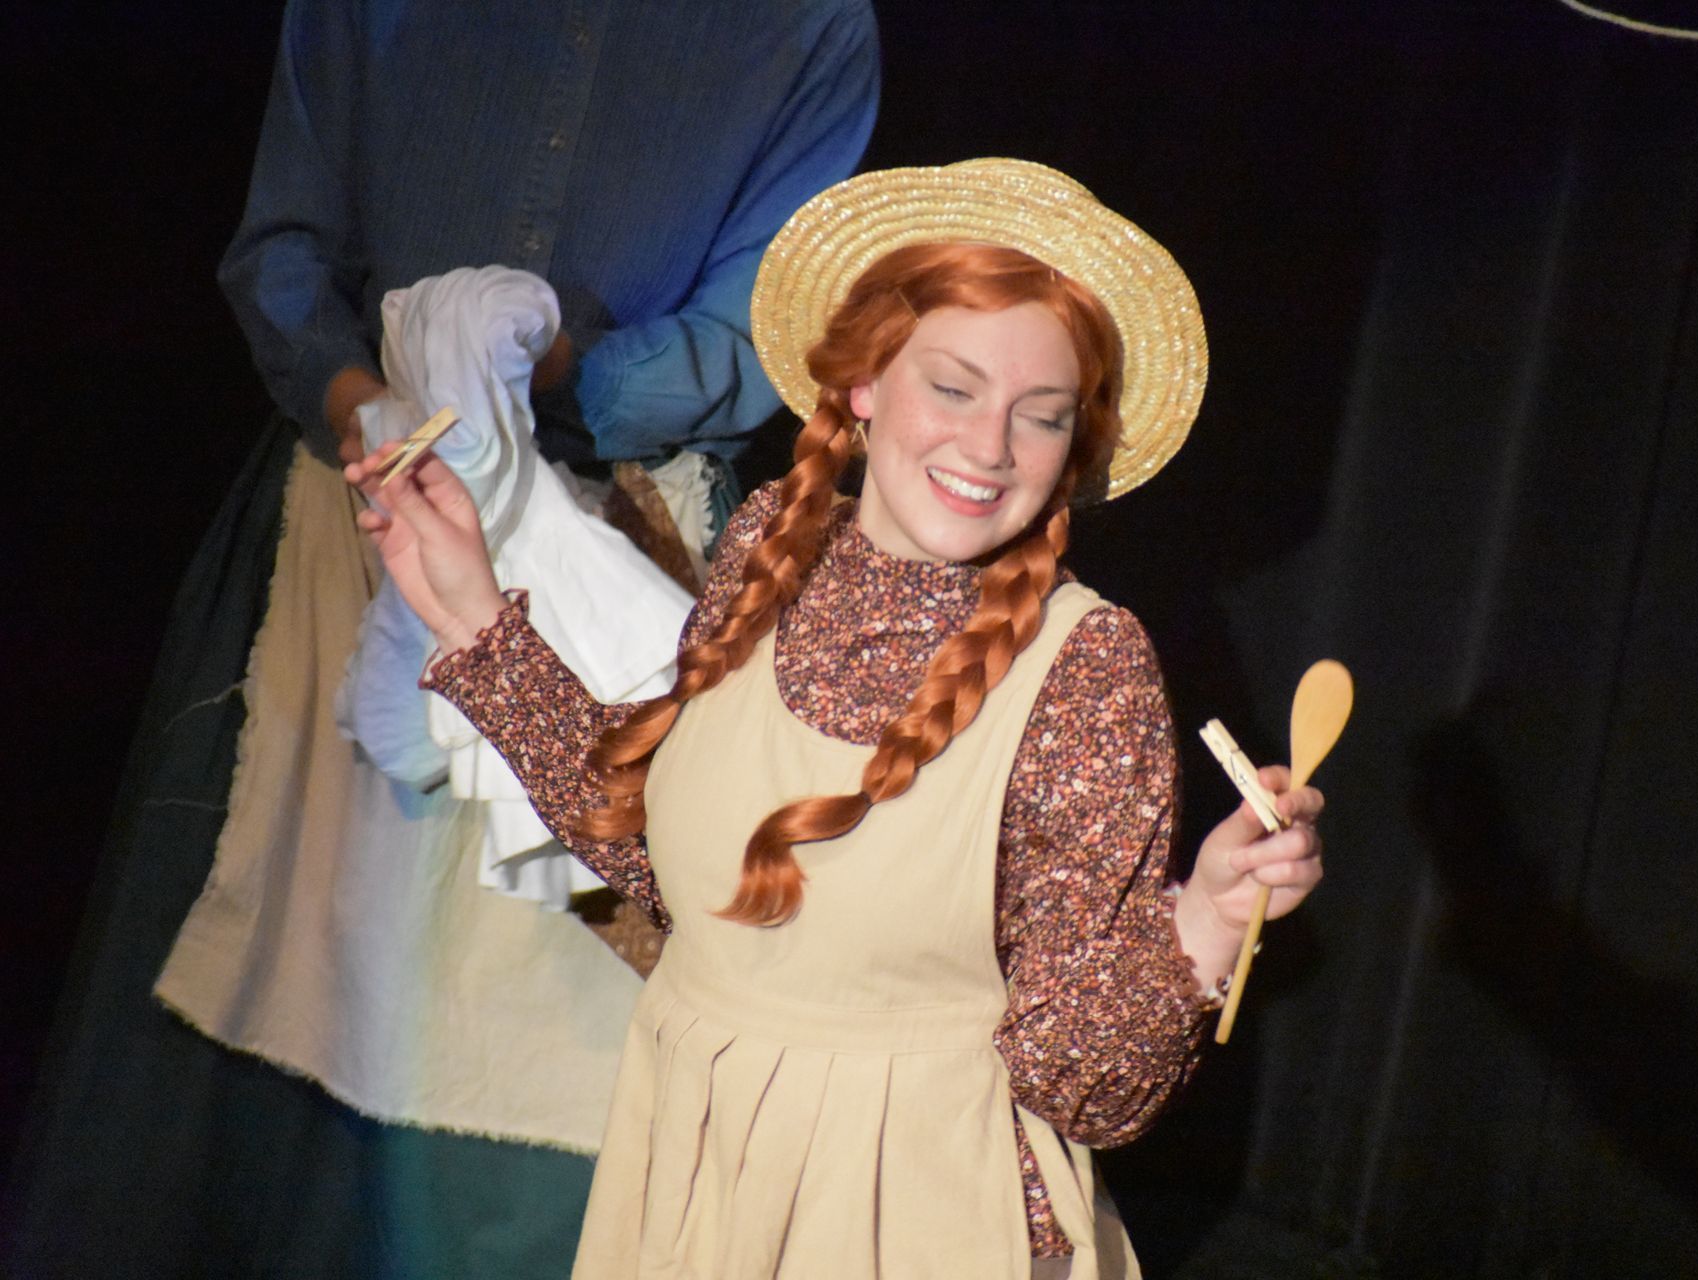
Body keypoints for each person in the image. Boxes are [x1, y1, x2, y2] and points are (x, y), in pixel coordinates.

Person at [5, 5, 876, 1278]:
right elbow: (282, 247)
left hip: (615, 549)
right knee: (275, 974)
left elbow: (772, 330)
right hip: (353, 509)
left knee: (541, 1043)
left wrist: (550, 379)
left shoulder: (804, 25)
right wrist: (380, 403)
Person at [346, 159, 1326, 1278]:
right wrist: (472, 612)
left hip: (915, 1217)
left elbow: (1075, 1082)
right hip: (694, 1175)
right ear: (865, 383)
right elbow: (668, 865)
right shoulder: (775, 542)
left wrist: (1203, 917)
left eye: (1040, 416)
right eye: (953, 388)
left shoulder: (1088, 668)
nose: (991, 447)